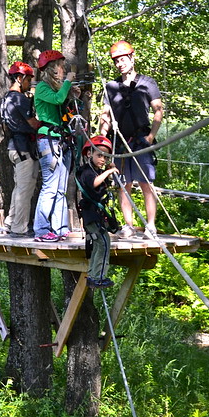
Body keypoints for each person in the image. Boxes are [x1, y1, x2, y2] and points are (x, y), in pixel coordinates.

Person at [98, 40, 163, 239]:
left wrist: (151, 136)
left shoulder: (147, 83)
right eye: (116, 61)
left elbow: (158, 111)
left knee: (146, 183)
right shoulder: (111, 87)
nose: (120, 64)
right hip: (120, 141)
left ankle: (150, 225)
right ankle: (129, 225)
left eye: (123, 59)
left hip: (141, 140)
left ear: (132, 58)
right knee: (123, 184)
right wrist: (102, 141)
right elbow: (105, 116)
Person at [33, 49, 79, 242]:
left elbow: (62, 103)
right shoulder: (42, 88)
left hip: (60, 139)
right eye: (61, 66)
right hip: (48, 140)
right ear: (52, 68)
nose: (63, 69)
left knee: (61, 188)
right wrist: (68, 82)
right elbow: (57, 99)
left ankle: (60, 227)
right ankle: (41, 230)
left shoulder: (54, 88)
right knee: (50, 187)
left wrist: (72, 94)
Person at [0, 60, 41, 237]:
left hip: (14, 148)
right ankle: (19, 228)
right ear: (19, 78)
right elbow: (34, 124)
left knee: (19, 188)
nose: (29, 83)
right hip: (24, 149)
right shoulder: (19, 99)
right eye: (27, 79)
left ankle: (10, 222)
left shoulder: (6, 99)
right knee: (25, 190)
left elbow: (6, 127)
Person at [75, 135, 119, 289]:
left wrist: (107, 171)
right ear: (89, 154)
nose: (102, 159)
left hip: (94, 215)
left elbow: (101, 187)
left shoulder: (95, 171)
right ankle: (98, 277)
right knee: (104, 243)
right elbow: (93, 183)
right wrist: (109, 172)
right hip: (91, 214)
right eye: (99, 155)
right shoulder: (87, 171)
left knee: (101, 243)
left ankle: (94, 275)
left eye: (105, 157)